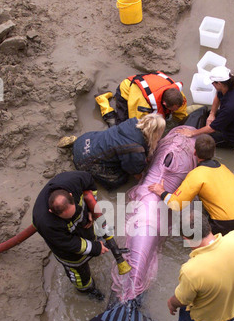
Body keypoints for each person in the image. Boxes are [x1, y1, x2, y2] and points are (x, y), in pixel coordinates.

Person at [148, 133, 234, 235]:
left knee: (187, 230)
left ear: (194, 152)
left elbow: (176, 204)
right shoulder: (224, 168)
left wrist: (161, 191)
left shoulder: (196, 175)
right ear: (213, 152)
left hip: (224, 224)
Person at [32, 171, 109, 300]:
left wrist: (91, 209)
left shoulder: (73, 180)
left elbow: (90, 184)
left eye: (73, 212)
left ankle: (94, 246)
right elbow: (70, 244)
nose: (73, 216)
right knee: (79, 274)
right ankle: (87, 290)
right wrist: (96, 248)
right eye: (68, 217)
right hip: (69, 252)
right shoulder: (45, 222)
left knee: (92, 238)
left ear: (71, 195)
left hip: (85, 226)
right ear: (52, 212)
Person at [57, 114, 166, 190]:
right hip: (85, 161)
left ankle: (75, 143)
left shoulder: (131, 122)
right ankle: (76, 158)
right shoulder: (135, 149)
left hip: (85, 141)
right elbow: (134, 172)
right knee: (120, 179)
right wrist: (146, 180)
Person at [177, 66, 234, 154]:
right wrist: (212, 114)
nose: (212, 85)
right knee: (208, 113)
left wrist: (192, 133)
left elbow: (212, 129)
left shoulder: (231, 105)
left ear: (219, 84)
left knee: (204, 141)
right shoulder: (229, 87)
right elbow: (218, 96)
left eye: (213, 83)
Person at [95, 71, 188, 127]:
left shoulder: (177, 96)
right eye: (173, 110)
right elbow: (135, 124)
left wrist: (183, 125)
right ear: (164, 103)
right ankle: (103, 102)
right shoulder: (143, 106)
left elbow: (181, 113)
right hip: (127, 91)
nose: (175, 111)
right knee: (120, 127)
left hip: (145, 86)